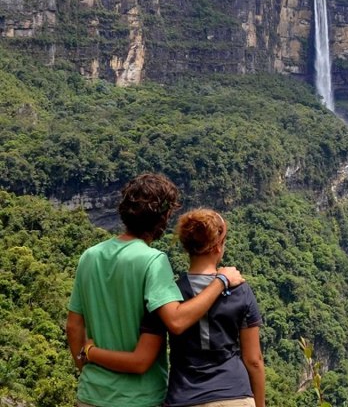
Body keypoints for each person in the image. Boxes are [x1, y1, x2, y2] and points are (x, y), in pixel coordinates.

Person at [66, 173, 244, 407]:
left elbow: (73, 325)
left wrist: (86, 360)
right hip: (140, 398)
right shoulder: (153, 261)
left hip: (91, 395)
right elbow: (177, 321)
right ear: (161, 217)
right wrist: (221, 280)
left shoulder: (89, 257)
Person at [85, 207, 266, 407]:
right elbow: (253, 360)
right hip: (235, 394)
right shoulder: (241, 290)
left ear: (186, 247)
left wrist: (90, 352)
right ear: (217, 247)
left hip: (185, 397)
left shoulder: (168, 295)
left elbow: (143, 356)